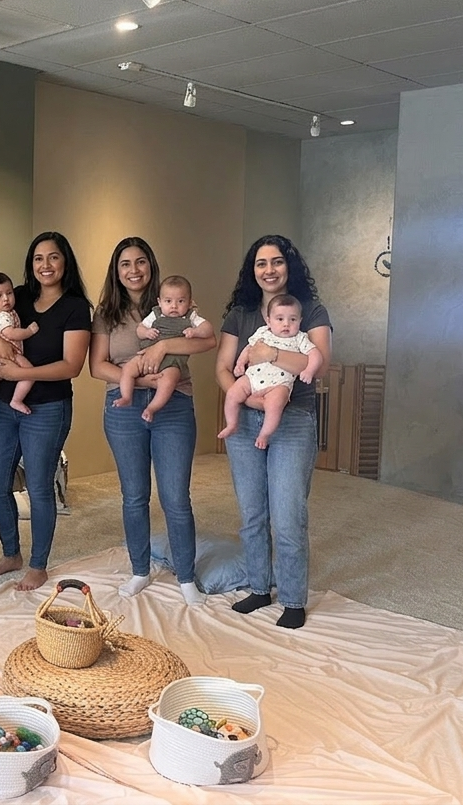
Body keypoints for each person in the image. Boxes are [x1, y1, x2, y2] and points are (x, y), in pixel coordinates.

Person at [89, 238, 216, 603]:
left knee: (176, 497)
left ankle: (187, 577)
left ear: (151, 265)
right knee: (134, 496)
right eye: (125, 263)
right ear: (117, 270)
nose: (133, 270)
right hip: (124, 406)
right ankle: (139, 571)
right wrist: (141, 380)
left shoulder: (171, 303)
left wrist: (163, 347)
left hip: (174, 404)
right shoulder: (106, 313)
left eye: (141, 262)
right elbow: (98, 366)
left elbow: (208, 342)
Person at [215, 234, 332, 630]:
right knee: (251, 512)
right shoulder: (240, 314)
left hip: (294, 417)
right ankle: (260, 587)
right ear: (253, 270)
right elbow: (223, 366)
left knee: (288, 514)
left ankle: (294, 597)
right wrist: (249, 401)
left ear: (289, 266)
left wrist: (272, 354)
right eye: (261, 263)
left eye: (277, 262)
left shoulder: (309, 311)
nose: (269, 270)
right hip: (247, 415)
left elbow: (320, 363)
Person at [0, 232, 92, 592]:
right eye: (39, 258)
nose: (46, 265)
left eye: (53, 257)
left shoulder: (75, 307)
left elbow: (71, 365)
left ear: (65, 262)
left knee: (40, 486)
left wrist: (21, 373)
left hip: (48, 407)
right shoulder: (18, 296)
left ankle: (38, 564)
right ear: (31, 263)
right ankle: (11, 552)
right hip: (4, 406)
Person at [218, 293, 322, 449]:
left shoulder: (299, 338)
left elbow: (316, 356)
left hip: (278, 385)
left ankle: (265, 434)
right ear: (269, 321)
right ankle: (232, 424)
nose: (286, 324)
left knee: (275, 404)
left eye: (292, 319)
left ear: (300, 321)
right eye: (280, 319)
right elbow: (248, 349)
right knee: (233, 393)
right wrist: (240, 364)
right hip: (252, 378)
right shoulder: (262, 333)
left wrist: (309, 370)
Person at [113, 274, 213, 423]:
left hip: (171, 363)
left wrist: (196, 331)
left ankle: (152, 408)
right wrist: (146, 332)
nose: (174, 306)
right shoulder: (155, 314)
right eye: (168, 301)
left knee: (169, 381)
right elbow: (140, 329)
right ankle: (127, 396)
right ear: (160, 302)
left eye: (180, 301)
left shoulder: (190, 317)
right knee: (128, 369)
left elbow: (208, 330)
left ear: (190, 303)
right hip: (145, 356)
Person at [0, 271, 39, 413]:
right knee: (30, 373)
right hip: (6, 355)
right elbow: (11, 334)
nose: (5, 299)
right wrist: (29, 331)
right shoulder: (2, 316)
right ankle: (16, 400)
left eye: (9, 293)